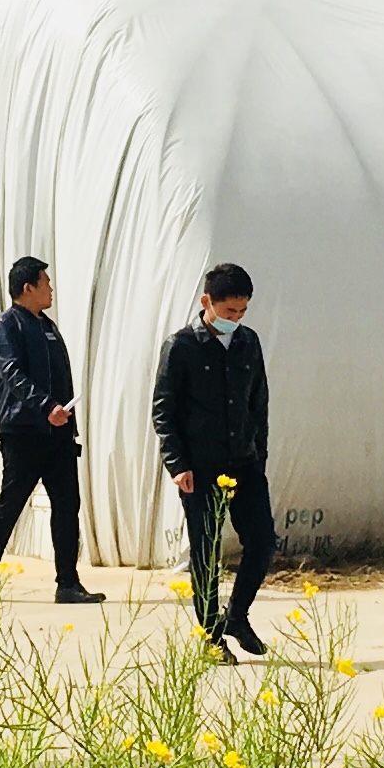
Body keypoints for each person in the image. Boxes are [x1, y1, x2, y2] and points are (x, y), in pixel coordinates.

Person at [152, 260, 272, 658]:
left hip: (244, 461)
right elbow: (163, 410)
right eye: (227, 312)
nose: (234, 319)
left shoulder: (248, 342)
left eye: (241, 312)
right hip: (200, 467)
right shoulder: (181, 347)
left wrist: (260, 454)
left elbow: (259, 404)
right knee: (205, 551)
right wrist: (177, 463)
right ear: (207, 301)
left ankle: (237, 615)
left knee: (262, 541)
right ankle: (210, 635)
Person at [0, 254, 103, 606]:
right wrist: (45, 407)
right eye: (46, 284)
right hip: (23, 433)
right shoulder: (5, 327)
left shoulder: (47, 326)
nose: (51, 290)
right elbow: (12, 374)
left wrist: (63, 417)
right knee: (12, 504)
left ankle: (68, 583)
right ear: (27, 287)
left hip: (57, 434)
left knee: (67, 505)